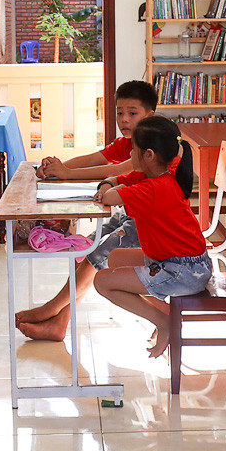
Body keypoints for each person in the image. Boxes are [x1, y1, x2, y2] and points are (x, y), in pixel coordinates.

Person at [14, 80, 159, 341]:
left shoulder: (153, 145)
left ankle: (52, 309)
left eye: (132, 113)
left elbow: (116, 171)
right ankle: (59, 323)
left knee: (96, 253)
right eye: (119, 112)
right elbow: (96, 159)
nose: (124, 119)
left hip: (154, 226)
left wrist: (67, 173)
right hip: (133, 216)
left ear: (150, 115)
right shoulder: (128, 141)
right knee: (87, 248)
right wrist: (56, 168)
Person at [92, 116, 211, 358]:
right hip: (188, 263)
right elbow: (116, 182)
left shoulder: (152, 188)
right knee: (115, 259)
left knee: (102, 281)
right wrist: (107, 183)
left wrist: (105, 188)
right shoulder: (159, 175)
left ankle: (164, 321)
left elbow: (109, 197)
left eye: (132, 152)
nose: (128, 159)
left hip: (182, 271)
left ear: (148, 155)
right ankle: (166, 314)